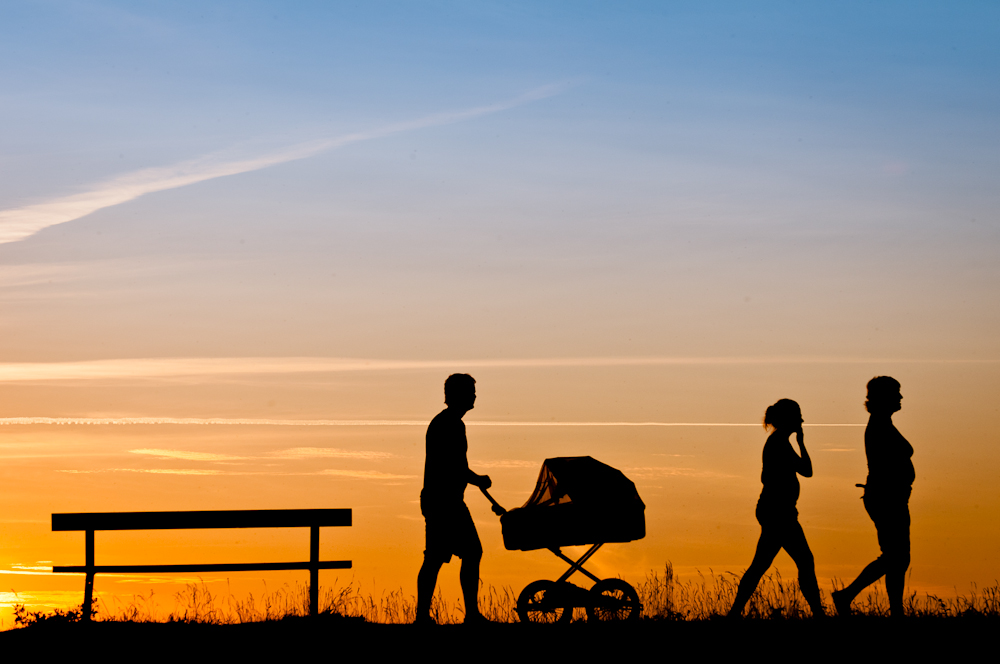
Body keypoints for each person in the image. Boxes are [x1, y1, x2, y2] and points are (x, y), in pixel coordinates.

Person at [728, 399, 825, 618]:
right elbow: (807, 471)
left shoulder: (780, 441)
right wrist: (801, 442)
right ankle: (819, 614)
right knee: (803, 561)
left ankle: (733, 614)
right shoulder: (779, 443)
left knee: (762, 564)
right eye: (797, 415)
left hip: (778, 511)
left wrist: (799, 441)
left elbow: (805, 471)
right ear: (788, 418)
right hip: (779, 512)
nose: (801, 420)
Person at [832, 376, 913, 617]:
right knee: (896, 556)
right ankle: (847, 595)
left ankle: (896, 611)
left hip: (892, 497)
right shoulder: (879, 424)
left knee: (898, 558)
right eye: (896, 393)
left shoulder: (883, 422)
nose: (900, 397)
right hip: (887, 499)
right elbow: (884, 465)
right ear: (884, 397)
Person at [415, 373, 493, 625]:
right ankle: (469, 615)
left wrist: (472, 479)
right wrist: (478, 479)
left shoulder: (445, 422)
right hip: (445, 502)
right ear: (458, 395)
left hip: (441, 500)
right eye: (470, 391)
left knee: (436, 557)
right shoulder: (451, 424)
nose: (474, 396)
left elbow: (454, 466)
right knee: (470, 552)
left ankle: (424, 616)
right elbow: (453, 466)